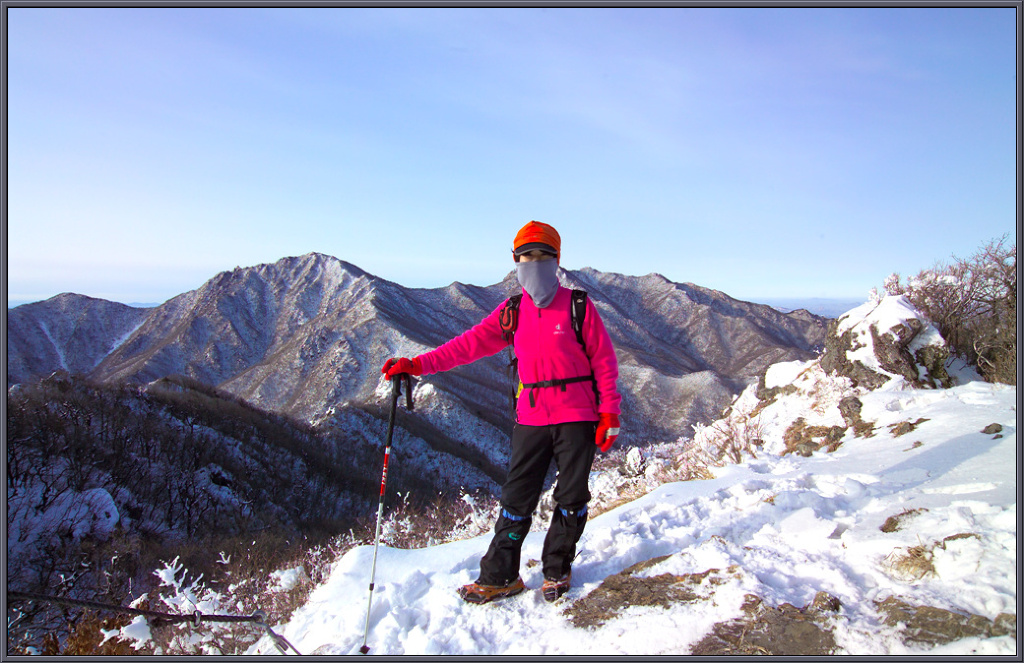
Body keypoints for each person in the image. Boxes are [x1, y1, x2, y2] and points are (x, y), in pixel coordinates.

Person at [381, 220, 622, 604]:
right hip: (530, 417)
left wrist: (609, 413)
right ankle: (500, 576)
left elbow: (604, 362)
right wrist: (417, 365)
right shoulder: (512, 312)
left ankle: (557, 570)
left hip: (577, 414)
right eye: (526, 256)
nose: (534, 262)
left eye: (543, 255)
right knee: (516, 499)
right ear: (515, 261)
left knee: (572, 496)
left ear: (556, 259)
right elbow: (466, 346)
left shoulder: (578, 306)